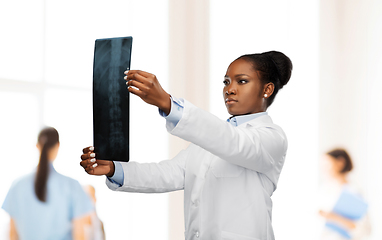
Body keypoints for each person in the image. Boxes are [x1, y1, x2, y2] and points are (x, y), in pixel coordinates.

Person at [80, 51, 292, 240]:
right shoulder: (209, 140)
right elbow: (168, 173)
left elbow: (234, 143)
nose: (230, 90)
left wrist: (169, 104)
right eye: (226, 82)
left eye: (242, 81)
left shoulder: (272, 138)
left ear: (267, 89)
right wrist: (114, 169)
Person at [2, 127, 94, 240]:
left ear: (37, 146)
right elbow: (79, 236)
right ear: (58, 146)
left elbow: (12, 235)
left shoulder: (17, 186)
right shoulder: (72, 186)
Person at [318, 148, 371, 240]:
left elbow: (365, 230)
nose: (323, 169)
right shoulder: (324, 190)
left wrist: (333, 217)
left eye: (327, 164)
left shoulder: (354, 192)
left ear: (340, 163)